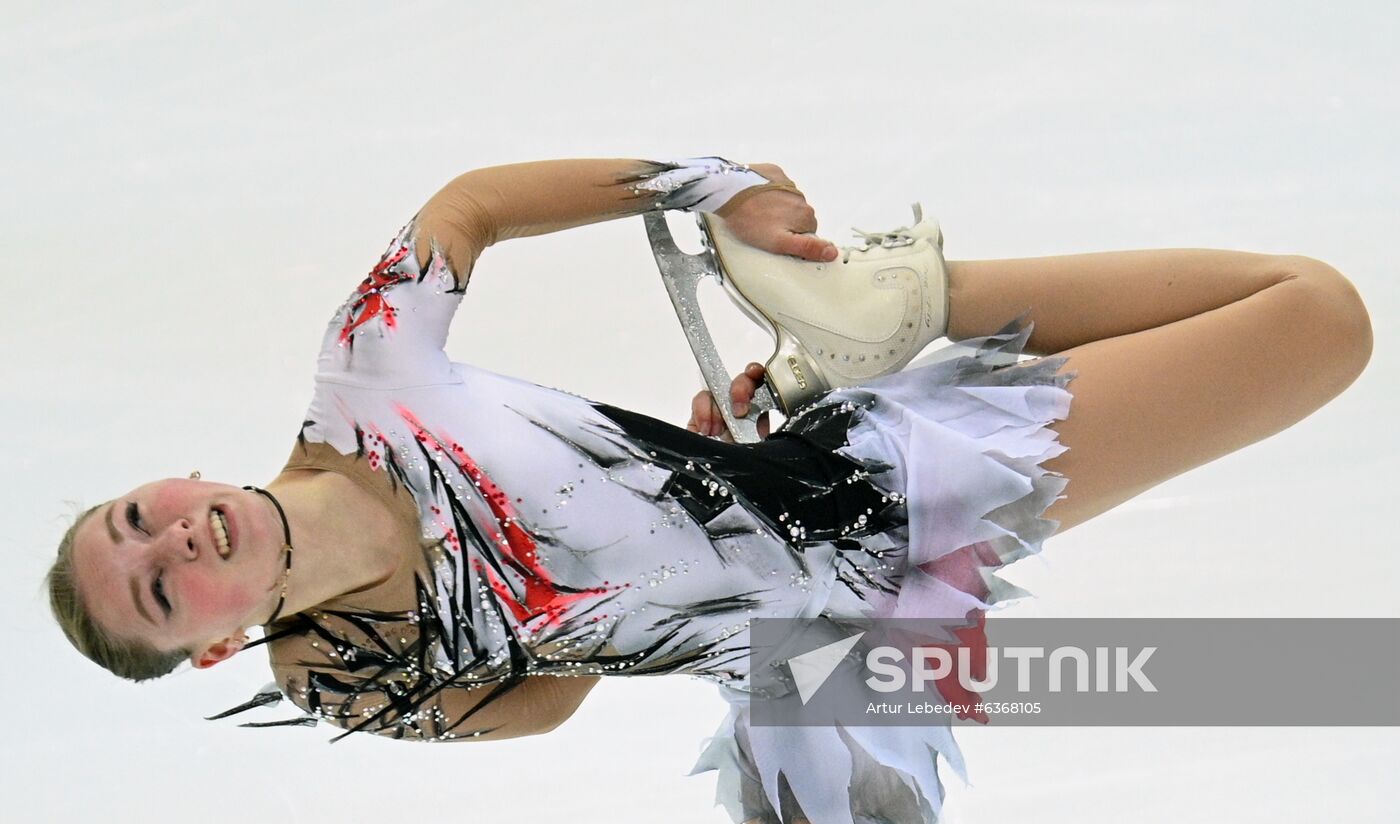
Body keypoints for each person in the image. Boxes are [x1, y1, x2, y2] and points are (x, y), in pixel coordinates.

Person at [45, 157, 1373, 824]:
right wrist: (670, 513)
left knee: (1317, 317)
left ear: (175, 477)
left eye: (133, 514)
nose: (171, 533)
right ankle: (871, 341)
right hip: (804, 685)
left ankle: (901, 311)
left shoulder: (369, 373)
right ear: (217, 641)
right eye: (161, 585)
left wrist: (714, 180)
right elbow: (551, 700)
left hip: (867, 502)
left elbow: (472, 203)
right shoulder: (335, 670)